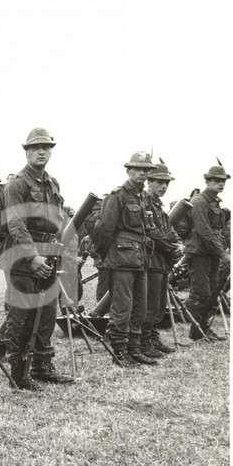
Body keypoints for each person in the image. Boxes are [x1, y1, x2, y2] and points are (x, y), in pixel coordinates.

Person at [0, 128, 74, 389]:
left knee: (47, 315)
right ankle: (19, 373)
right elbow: (16, 224)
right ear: (27, 152)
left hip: (49, 253)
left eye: (46, 147)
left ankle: (43, 365)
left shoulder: (52, 184)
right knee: (22, 315)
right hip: (23, 256)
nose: (41, 151)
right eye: (35, 148)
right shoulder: (16, 184)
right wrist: (32, 258)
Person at [93, 151, 158, 367]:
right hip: (121, 258)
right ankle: (119, 351)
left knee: (140, 306)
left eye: (145, 170)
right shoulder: (117, 195)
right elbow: (104, 229)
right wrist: (104, 255)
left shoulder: (144, 198)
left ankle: (134, 348)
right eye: (138, 169)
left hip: (141, 258)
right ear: (128, 170)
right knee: (123, 306)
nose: (142, 173)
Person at [184, 164, 231, 341]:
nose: (221, 184)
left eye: (223, 181)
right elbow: (204, 231)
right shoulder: (199, 201)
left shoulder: (214, 202)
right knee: (200, 292)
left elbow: (217, 230)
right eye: (217, 181)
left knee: (211, 292)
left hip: (211, 253)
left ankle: (202, 328)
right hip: (199, 253)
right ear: (207, 181)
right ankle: (196, 331)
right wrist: (222, 253)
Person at [140, 162, 181, 356]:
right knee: (150, 304)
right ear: (149, 182)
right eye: (159, 182)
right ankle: (144, 341)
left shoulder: (158, 207)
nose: (164, 186)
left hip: (161, 261)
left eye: (166, 183)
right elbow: (152, 232)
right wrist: (171, 246)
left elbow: (169, 230)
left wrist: (178, 243)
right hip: (150, 259)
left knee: (158, 304)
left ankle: (152, 337)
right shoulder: (144, 202)